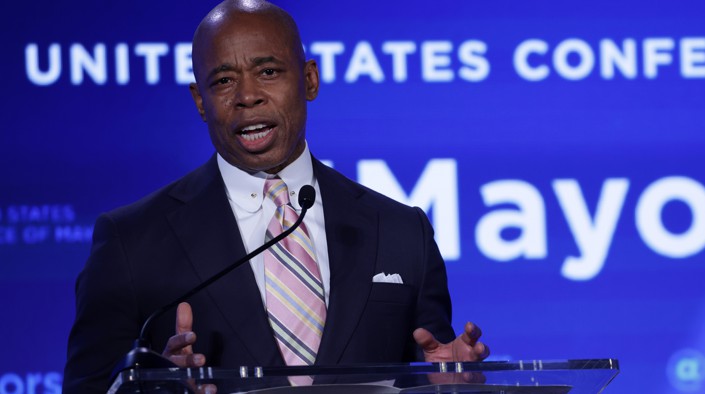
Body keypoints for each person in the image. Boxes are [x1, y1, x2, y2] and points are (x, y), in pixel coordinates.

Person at [62, 1, 489, 393]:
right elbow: (89, 387)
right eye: (224, 80)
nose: (247, 96)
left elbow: (430, 363)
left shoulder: (400, 231)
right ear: (199, 101)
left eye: (268, 72)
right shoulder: (131, 241)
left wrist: (447, 384)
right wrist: (156, 388)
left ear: (309, 80)